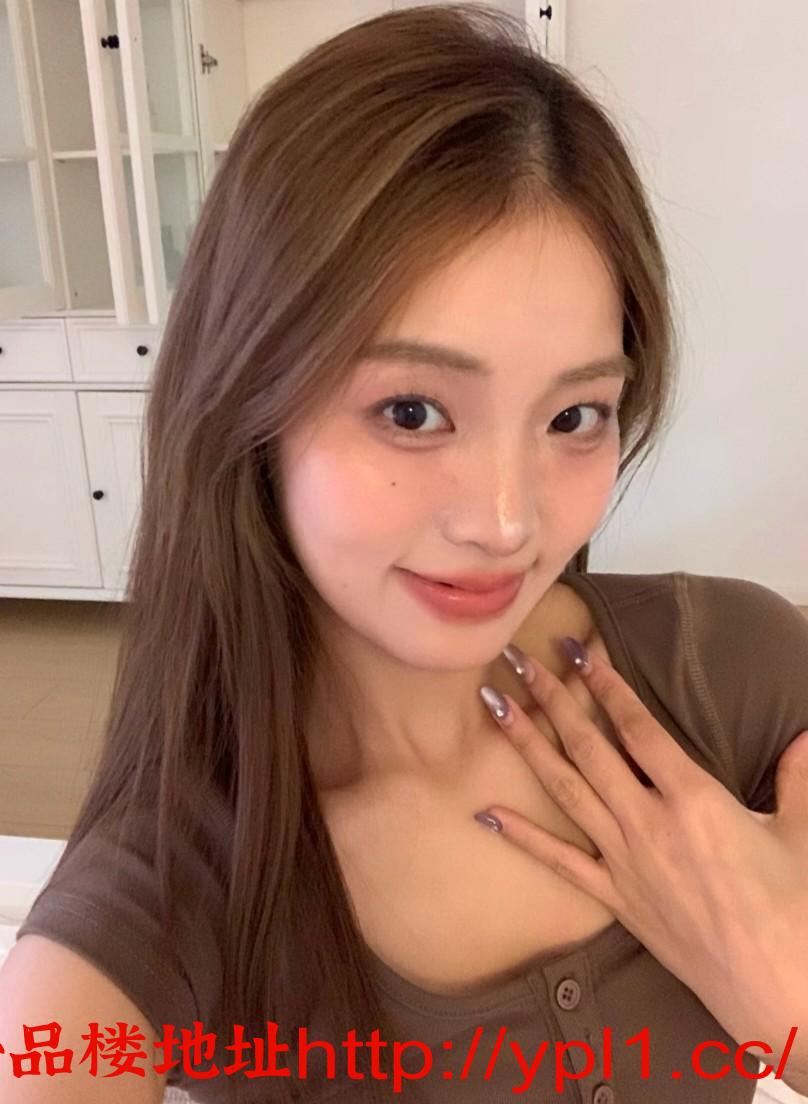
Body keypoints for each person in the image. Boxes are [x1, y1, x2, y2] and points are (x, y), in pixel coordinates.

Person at [2, 5, 807, 1103]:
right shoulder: (169, 895)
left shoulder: (734, 673)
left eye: (573, 417)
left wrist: (784, 997)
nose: (506, 521)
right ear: (248, 407)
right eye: (413, 411)